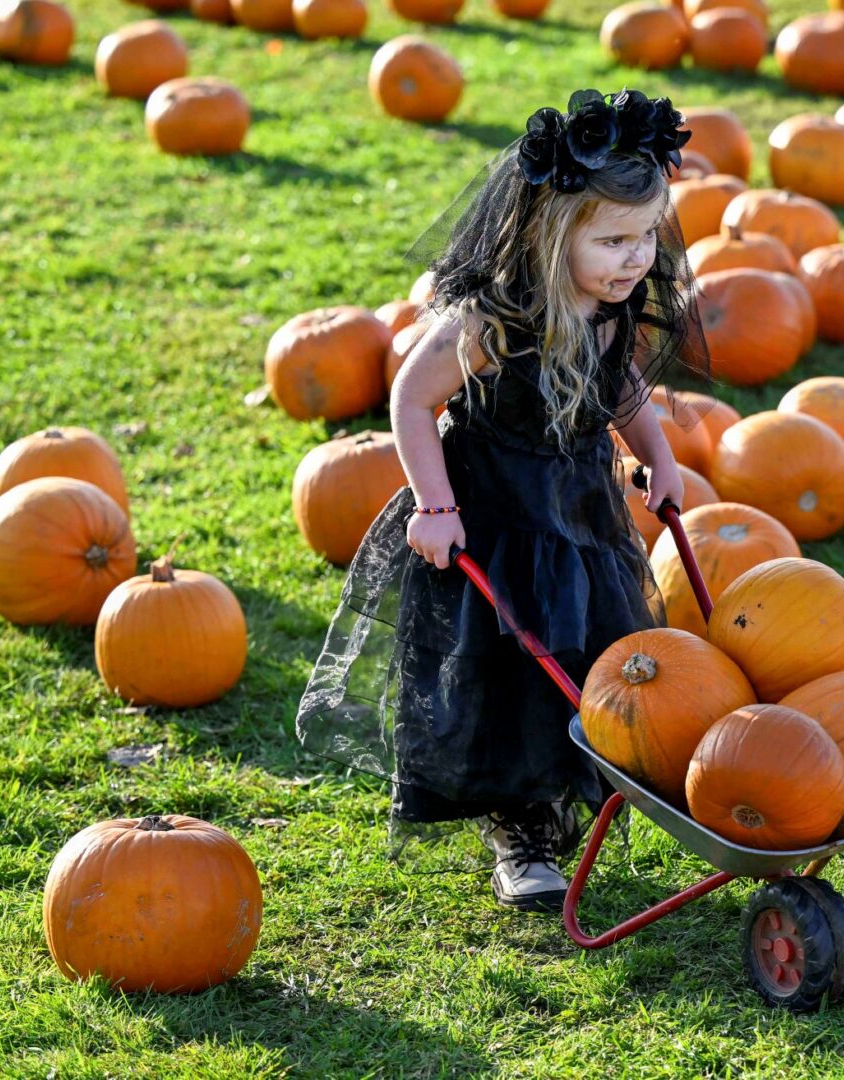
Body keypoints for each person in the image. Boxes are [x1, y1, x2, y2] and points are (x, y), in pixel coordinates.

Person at [296, 89, 711, 913]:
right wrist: (435, 506)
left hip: (580, 513)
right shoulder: (494, 320)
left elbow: (620, 387)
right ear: (554, 235)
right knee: (512, 667)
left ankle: (569, 795)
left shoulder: (609, 309)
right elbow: (412, 400)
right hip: (495, 514)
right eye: (614, 240)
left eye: (646, 238)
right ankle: (516, 826)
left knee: (592, 647)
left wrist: (659, 458)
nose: (635, 260)